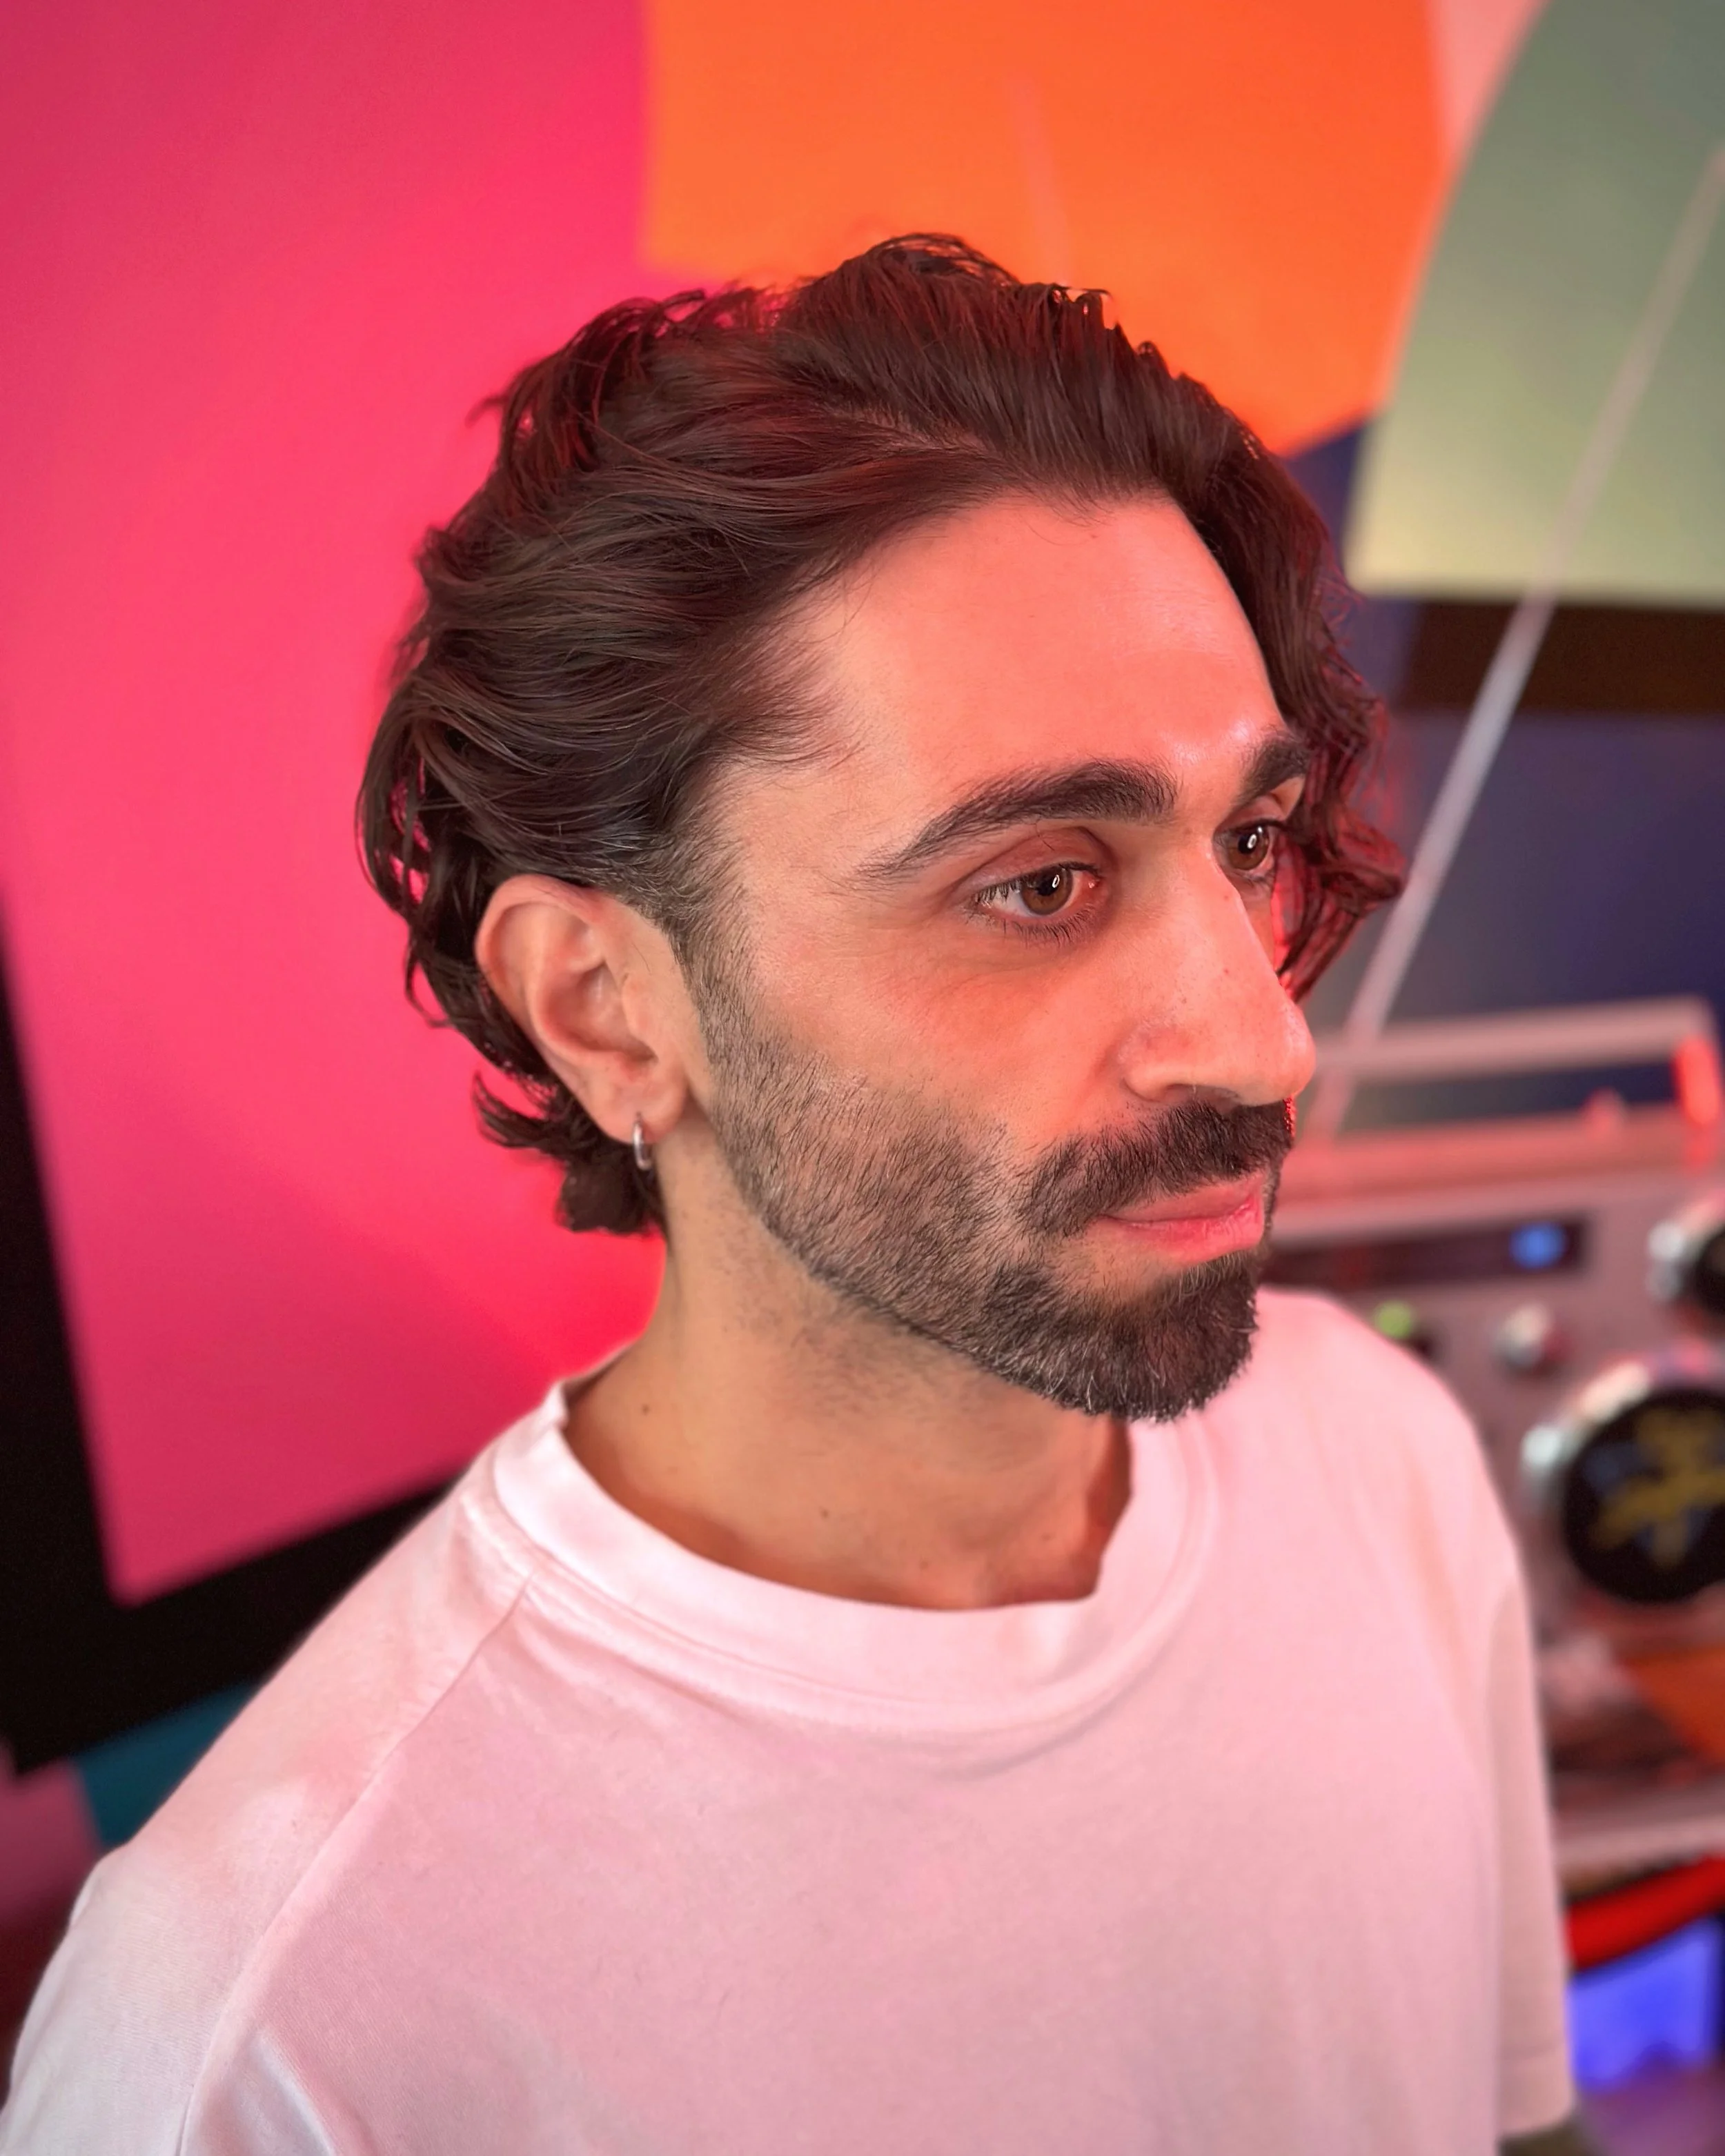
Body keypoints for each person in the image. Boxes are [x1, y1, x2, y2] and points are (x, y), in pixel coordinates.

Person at [2, 238, 1590, 2154]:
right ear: (602, 1007)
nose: (1265, 1052)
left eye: (1243, 837)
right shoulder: (266, 2028)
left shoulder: (1381, 1456)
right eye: (1040, 884)